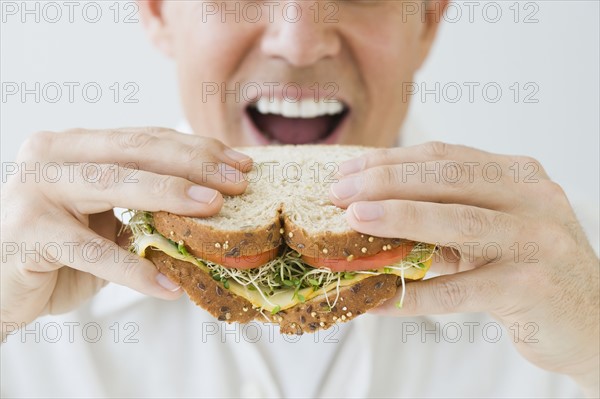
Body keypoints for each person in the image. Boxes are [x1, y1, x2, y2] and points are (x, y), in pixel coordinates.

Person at [1, 1, 598, 397]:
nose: (300, 41)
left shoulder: (566, 276)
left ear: (428, 19)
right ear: (159, 11)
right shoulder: (31, 275)